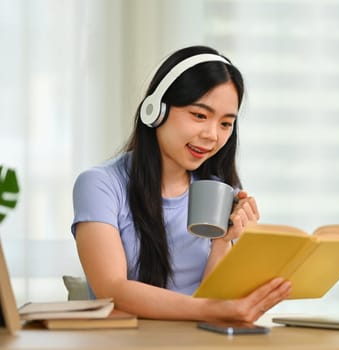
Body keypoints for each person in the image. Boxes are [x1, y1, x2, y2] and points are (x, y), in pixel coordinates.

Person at [71, 45, 291, 322]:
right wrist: (212, 310)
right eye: (199, 115)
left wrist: (223, 241)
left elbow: (215, 302)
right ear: (155, 110)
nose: (212, 135)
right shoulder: (100, 185)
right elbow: (111, 289)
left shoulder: (221, 192)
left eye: (225, 124)